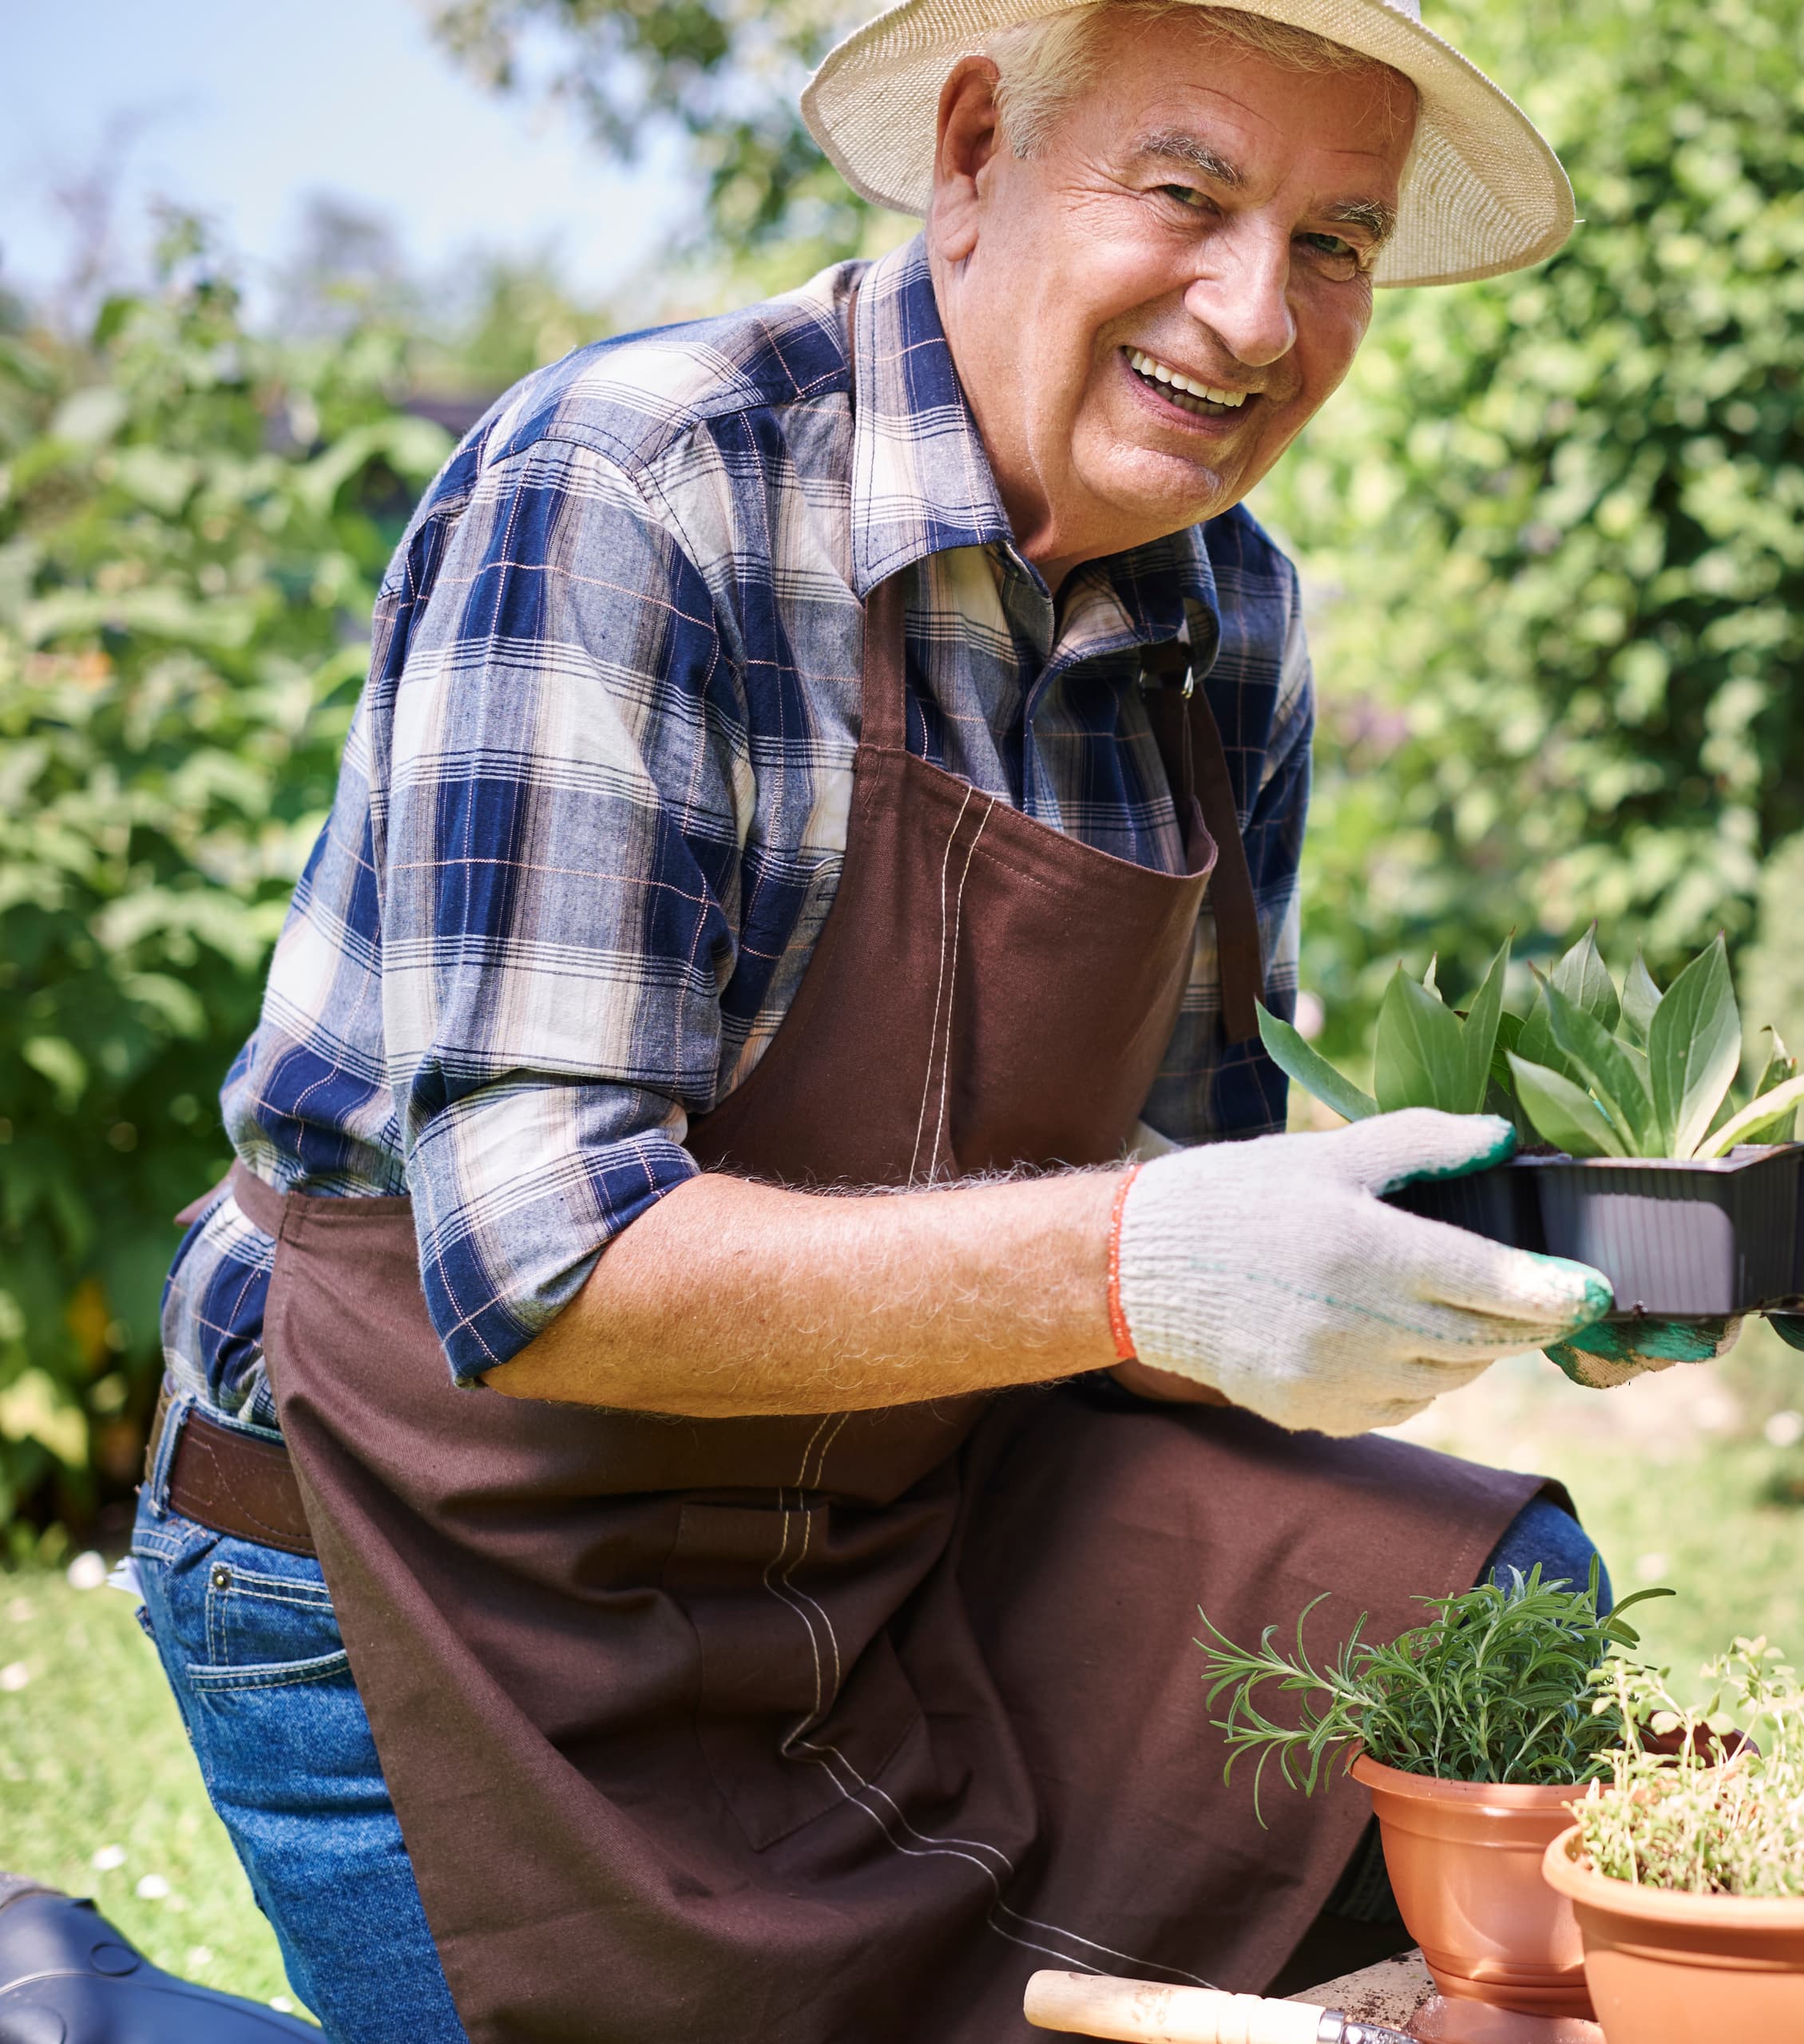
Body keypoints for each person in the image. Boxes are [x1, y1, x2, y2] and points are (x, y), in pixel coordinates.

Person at [130, 4, 1719, 2035]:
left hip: (902, 1504)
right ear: (974, 152)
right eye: (1191, 194)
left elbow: (1182, 1228)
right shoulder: (641, 489)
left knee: (1481, 1609)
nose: (1252, 318)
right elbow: (540, 1259)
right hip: (431, 1548)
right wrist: (1159, 1253)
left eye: (1335, 242)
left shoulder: (1225, 616)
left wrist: (1484, 1266)